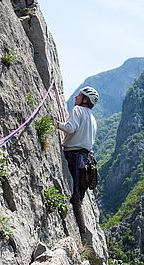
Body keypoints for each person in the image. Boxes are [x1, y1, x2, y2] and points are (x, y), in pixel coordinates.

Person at [57, 86, 98, 234]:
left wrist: (56, 124)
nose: (76, 98)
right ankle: (82, 231)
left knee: (74, 197)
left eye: (79, 96)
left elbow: (70, 128)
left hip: (73, 156)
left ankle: (81, 232)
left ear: (85, 99)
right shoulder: (93, 119)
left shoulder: (78, 110)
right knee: (79, 196)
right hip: (86, 160)